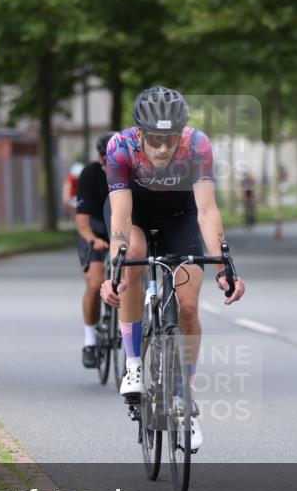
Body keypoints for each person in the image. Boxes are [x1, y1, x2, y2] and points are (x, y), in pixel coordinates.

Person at [100, 86, 246, 451]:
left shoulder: (197, 146)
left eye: (170, 139)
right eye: (155, 140)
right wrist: (115, 272)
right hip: (133, 214)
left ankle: (184, 400)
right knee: (132, 254)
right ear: (140, 133)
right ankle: (134, 363)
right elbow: (120, 214)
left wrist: (224, 266)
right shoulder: (120, 147)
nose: (164, 148)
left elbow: (208, 210)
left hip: (181, 217)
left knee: (190, 306)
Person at [75, 132, 116, 369]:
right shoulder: (90, 175)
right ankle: (90, 341)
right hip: (95, 233)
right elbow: (81, 221)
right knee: (94, 283)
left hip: (123, 232)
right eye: (105, 157)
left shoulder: (132, 171)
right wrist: (94, 240)